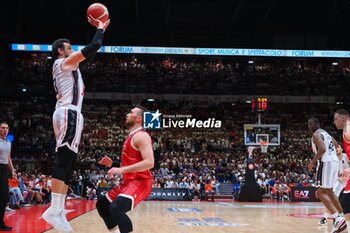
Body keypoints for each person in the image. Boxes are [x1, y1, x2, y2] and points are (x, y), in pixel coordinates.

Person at [41, 15, 110, 232]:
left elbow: (89, 54)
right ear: (60, 50)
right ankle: (53, 208)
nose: (73, 50)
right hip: (67, 112)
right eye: (69, 47)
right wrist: (100, 27)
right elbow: (94, 46)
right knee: (64, 159)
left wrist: (100, 33)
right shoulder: (62, 62)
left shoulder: (71, 66)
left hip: (71, 114)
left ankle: (58, 209)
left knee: (70, 162)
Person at [97, 106, 154, 233]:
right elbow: (130, 163)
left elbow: (150, 162)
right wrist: (112, 164)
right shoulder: (131, 137)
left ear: (138, 118)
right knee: (102, 205)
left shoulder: (141, 136)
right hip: (128, 182)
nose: (127, 114)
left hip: (141, 181)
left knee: (116, 208)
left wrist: (120, 170)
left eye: (131, 112)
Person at [307, 117, 346, 233]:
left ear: (315, 125)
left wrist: (312, 162)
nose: (309, 127)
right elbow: (335, 144)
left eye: (310, 125)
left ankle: (337, 218)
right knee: (329, 191)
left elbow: (322, 149)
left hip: (326, 162)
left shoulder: (316, 134)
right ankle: (342, 217)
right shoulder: (326, 133)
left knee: (320, 191)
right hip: (334, 162)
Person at [319, 144, 349, 226]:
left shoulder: (346, 156)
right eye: (335, 148)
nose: (336, 149)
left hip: (348, 181)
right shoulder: (332, 159)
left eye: (338, 147)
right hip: (339, 182)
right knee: (332, 199)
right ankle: (325, 218)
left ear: (342, 149)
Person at [334, 109, 350, 233]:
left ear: (343, 119)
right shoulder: (346, 130)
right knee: (345, 203)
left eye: (336, 119)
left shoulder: (348, 130)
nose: (334, 122)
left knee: (345, 202)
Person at [0, 122, 15, 231]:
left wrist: (12, 170)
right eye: (2, 128)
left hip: (4, 170)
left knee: (3, 197)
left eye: (6, 128)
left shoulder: (8, 142)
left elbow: (8, 157)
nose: (5, 129)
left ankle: (1, 222)